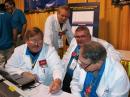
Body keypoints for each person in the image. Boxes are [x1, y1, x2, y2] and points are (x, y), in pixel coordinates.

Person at [62, 26, 121, 93]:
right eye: (77, 37)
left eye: (82, 36)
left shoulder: (101, 44)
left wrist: (98, 60)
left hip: (82, 80)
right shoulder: (73, 41)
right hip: (67, 77)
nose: (79, 39)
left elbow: (117, 55)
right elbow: (66, 57)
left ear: (89, 36)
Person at [5, 27, 64, 93]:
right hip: (25, 89)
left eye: (40, 40)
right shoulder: (19, 50)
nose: (37, 44)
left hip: (47, 90)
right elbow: (9, 67)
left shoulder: (50, 50)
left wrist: (57, 81)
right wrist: (23, 73)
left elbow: (57, 67)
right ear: (26, 41)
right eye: (33, 41)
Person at [0, 3, 14, 68]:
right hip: (9, 45)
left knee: (1, 68)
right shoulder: (9, 16)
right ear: (5, 8)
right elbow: (14, 29)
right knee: (11, 66)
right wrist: (14, 40)